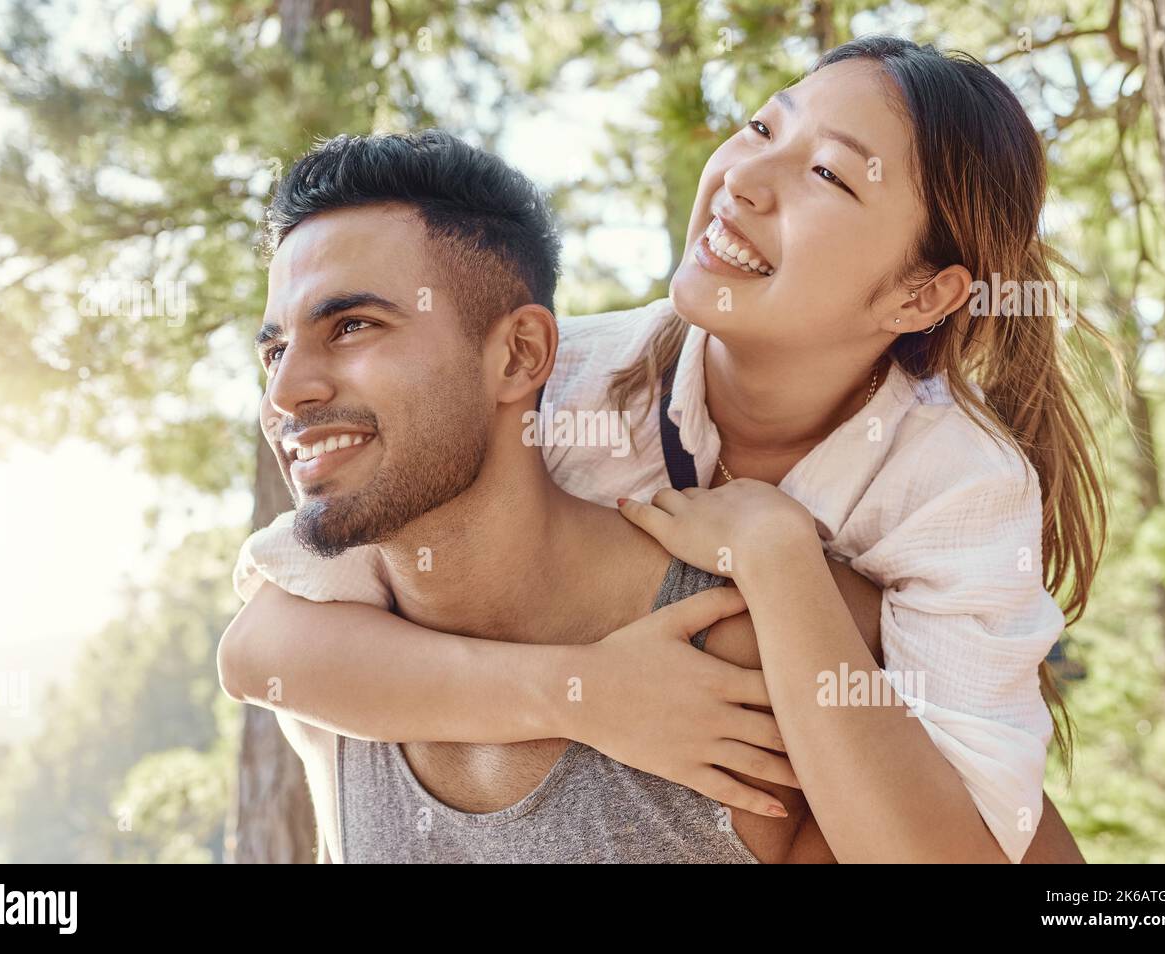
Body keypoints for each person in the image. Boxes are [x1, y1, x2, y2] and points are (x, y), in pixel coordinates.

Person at [222, 36, 1102, 862]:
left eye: (828, 174)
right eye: (762, 126)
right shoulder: (570, 381)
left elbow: (966, 840)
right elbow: (265, 649)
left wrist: (778, 555)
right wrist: (587, 693)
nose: (746, 178)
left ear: (919, 295)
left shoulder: (958, 484)